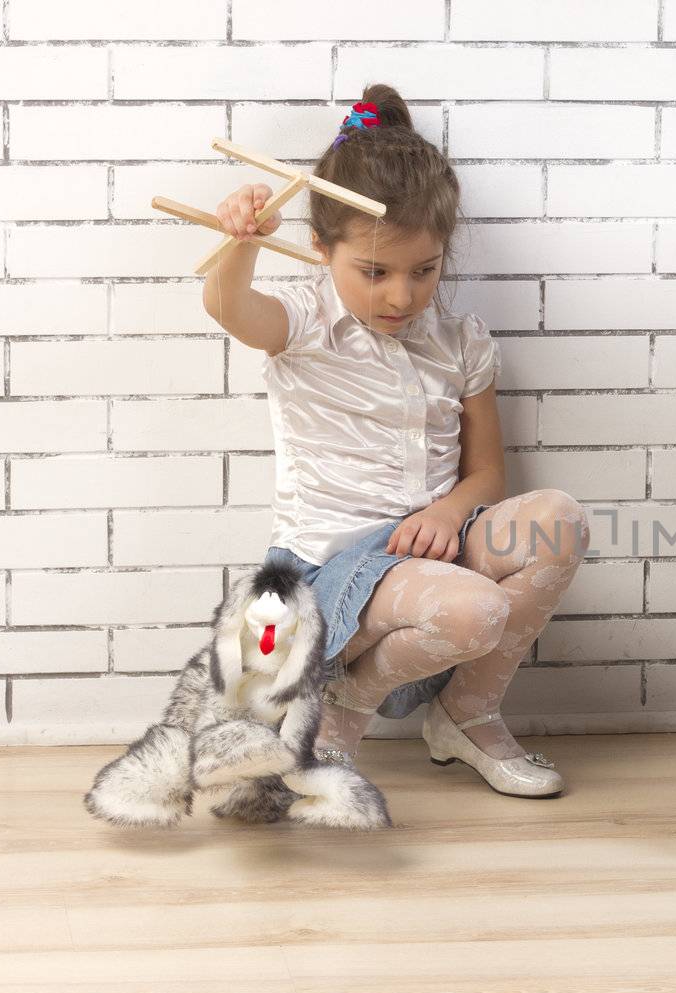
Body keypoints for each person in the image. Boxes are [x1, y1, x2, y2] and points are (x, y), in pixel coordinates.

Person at [202, 84, 589, 799]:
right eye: (374, 272)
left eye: (425, 270)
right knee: (479, 609)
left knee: (558, 519)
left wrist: (449, 513)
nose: (401, 297)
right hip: (331, 567)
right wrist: (239, 243)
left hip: (434, 545)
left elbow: (486, 475)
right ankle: (341, 712)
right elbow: (228, 305)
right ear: (321, 248)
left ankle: (466, 715)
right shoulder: (305, 322)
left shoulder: (460, 342)